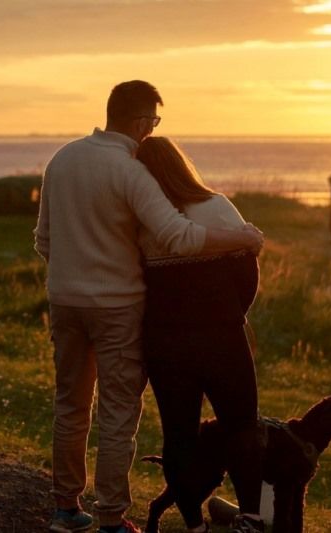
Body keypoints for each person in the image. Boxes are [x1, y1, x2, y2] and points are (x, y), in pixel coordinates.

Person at [34, 80, 264, 533]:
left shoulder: (61, 160)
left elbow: (44, 241)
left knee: (71, 404)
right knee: (119, 409)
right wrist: (242, 237)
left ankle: (66, 508)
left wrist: (75, 272)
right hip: (117, 305)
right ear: (141, 122)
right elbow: (178, 237)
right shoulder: (130, 171)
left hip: (64, 300)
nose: (152, 130)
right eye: (154, 122)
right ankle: (111, 517)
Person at [136, 137, 265, 533]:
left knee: (178, 435)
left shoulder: (142, 222)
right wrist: (229, 315)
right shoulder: (218, 207)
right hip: (222, 339)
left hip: (164, 342)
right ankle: (252, 518)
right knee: (242, 427)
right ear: (182, 165)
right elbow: (248, 277)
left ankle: (194, 524)